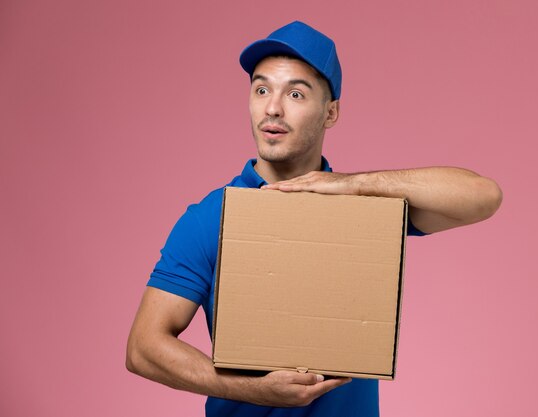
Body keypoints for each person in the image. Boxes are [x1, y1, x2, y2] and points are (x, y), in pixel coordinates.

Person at [126, 21, 502, 416]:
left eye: (295, 93)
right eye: (261, 89)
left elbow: (483, 196)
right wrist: (254, 390)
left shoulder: (364, 213)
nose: (272, 107)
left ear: (331, 112)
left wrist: (355, 186)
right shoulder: (213, 216)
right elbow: (143, 348)